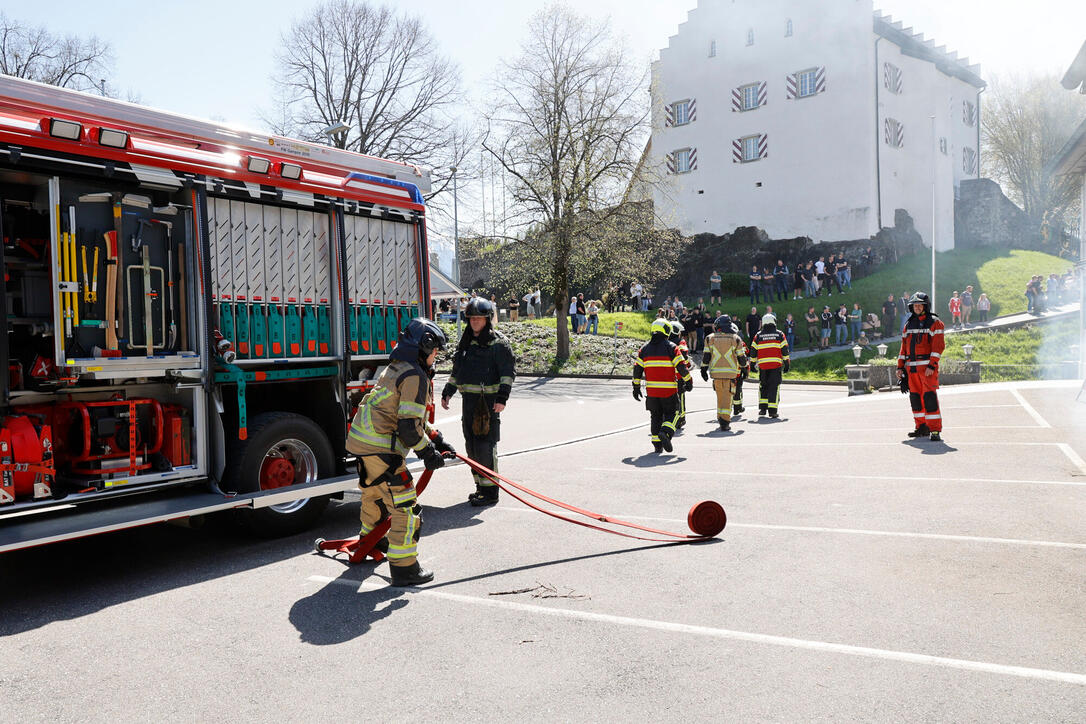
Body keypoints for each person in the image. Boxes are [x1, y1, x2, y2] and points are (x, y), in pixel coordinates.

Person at [346, 318, 453, 586]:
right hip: (382, 449)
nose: (436, 356)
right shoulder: (415, 376)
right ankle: (404, 568)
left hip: (363, 444)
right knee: (406, 506)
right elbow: (408, 428)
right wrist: (428, 453)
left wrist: (436, 439)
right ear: (423, 347)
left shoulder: (396, 368)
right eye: (435, 351)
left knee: (375, 496)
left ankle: (372, 541)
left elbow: (407, 417)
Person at [441, 298, 517, 506]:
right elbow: (458, 371)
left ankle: (491, 492)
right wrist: (448, 391)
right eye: (471, 318)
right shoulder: (466, 341)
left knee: (485, 447)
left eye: (478, 318)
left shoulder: (498, 343)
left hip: (488, 403)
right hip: (469, 402)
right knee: (471, 446)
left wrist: (502, 398)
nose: (474, 322)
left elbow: (507, 374)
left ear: (487, 319)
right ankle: (480, 487)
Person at [632, 317, 693, 453]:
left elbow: (637, 370)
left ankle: (657, 444)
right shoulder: (672, 348)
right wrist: (689, 381)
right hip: (669, 391)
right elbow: (681, 367)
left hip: (652, 392)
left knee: (656, 416)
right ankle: (665, 433)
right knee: (675, 413)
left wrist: (636, 387)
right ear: (666, 331)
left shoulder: (644, 349)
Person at [897, 291, 945, 442]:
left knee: (929, 398)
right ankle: (921, 427)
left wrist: (932, 365)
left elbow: (938, 347)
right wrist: (900, 367)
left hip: (927, 369)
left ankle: (935, 430)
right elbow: (903, 348)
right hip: (911, 370)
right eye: (914, 305)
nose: (917, 307)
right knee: (916, 399)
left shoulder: (935, 322)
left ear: (925, 306)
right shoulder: (908, 324)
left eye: (920, 305)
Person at [700, 315, 748, 430]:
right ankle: (725, 421)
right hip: (730, 374)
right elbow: (741, 357)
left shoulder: (709, 338)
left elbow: (706, 356)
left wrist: (703, 370)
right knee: (727, 397)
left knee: (720, 397)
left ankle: (720, 417)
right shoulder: (735, 339)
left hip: (716, 374)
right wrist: (745, 369)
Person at [750, 313, 790, 418]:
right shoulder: (779, 334)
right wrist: (786, 364)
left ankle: (763, 409)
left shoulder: (758, 335)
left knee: (763, 386)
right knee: (773, 387)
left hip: (763, 366)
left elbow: (753, 351)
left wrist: (752, 363)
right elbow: (784, 350)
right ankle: (772, 411)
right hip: (775, 366)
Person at [669, 319, 693, 429]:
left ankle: (672, 418)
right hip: (679, 375)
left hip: (668, 375)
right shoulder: (681, 342)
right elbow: (684, 357)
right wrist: (688, 366)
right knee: (681, 396)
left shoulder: (666, 343)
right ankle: (681, 418)